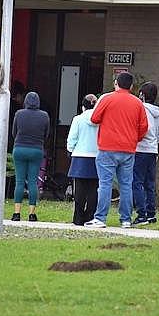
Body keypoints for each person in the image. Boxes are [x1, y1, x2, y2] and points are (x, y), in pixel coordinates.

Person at [84, 72, 148, 229]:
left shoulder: (107, 98)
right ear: (132, 86)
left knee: (105, 183)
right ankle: (126, 219)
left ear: (116, 83)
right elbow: (144, 127)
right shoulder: (137, 103)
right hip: (128, 149)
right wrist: (134, 139)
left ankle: (100, 218)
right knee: (126, 185)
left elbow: (94, 119)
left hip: (107, 147)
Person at [11, 91, 50, 222]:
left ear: (26, 101)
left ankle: (16, 213)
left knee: (20, 181)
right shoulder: (44, 116)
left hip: (20, 149)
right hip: (36, 150)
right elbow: (46, 134)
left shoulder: (19, 114)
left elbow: (13, 132)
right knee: (33, 182)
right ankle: (32, 214)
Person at [133, 82, 159, 226]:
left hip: (140, 148)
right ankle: (151, 213)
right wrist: (154, 141)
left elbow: (140, 128)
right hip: (152, 150)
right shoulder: (157, 112)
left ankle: (141, 214)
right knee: (150, 184)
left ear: (142, 95)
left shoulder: (140, 108)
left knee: (137, 182)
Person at [67, 94, 99, 225]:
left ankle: (78, 217)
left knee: (79, 189)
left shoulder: (78, 119)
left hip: (80, 156)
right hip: (97, 156)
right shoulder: (100, 120)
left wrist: (70, 149)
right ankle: (90, 216)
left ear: (83, 107)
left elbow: (72, 138)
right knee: (94, 189)